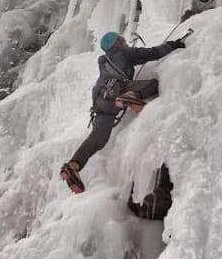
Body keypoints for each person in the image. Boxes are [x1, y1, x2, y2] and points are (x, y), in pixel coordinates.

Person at [60, 32, 186, 193]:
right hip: (116, 90)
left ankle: (73, 166)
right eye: (123, 40)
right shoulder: (122, 53)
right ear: (117, 42)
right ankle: (130, 96)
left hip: (100, 102)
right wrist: (173, 45)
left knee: (98, 138)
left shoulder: (105, 63)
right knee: (153, 84)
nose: (126, 42)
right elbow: (151, 53)